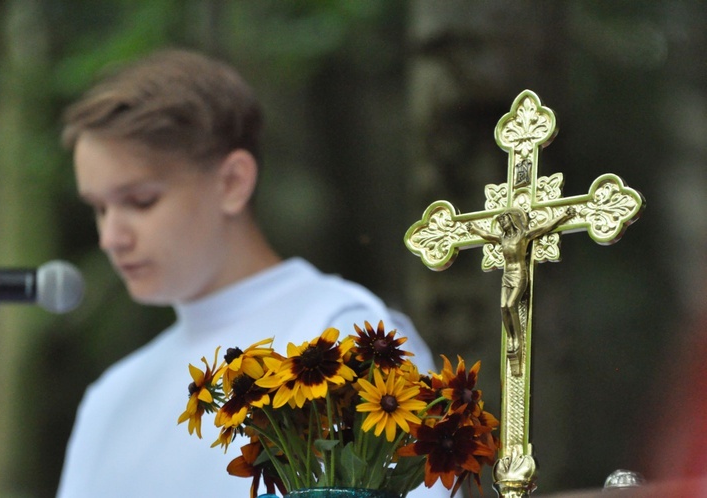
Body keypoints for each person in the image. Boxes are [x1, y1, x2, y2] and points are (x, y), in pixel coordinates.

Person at [56, 49, 449, 497]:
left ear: (232, 183)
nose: (111, 237)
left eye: (140, 201)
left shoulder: (343, 334)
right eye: (100, 209)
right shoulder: (110, 400)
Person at [466, 206, 574, 375]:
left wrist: (563, 217)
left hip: (519, 274)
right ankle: (511, 338)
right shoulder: (502, 238)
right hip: (507, 276)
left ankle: (517, 342)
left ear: (512, 220)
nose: (502, 222)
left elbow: (545, 227)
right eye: (500, 221)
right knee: (503, 307)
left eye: (505, 219)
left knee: (510, 305)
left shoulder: (523, 236)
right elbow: (487, 235)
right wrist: (474, 229)